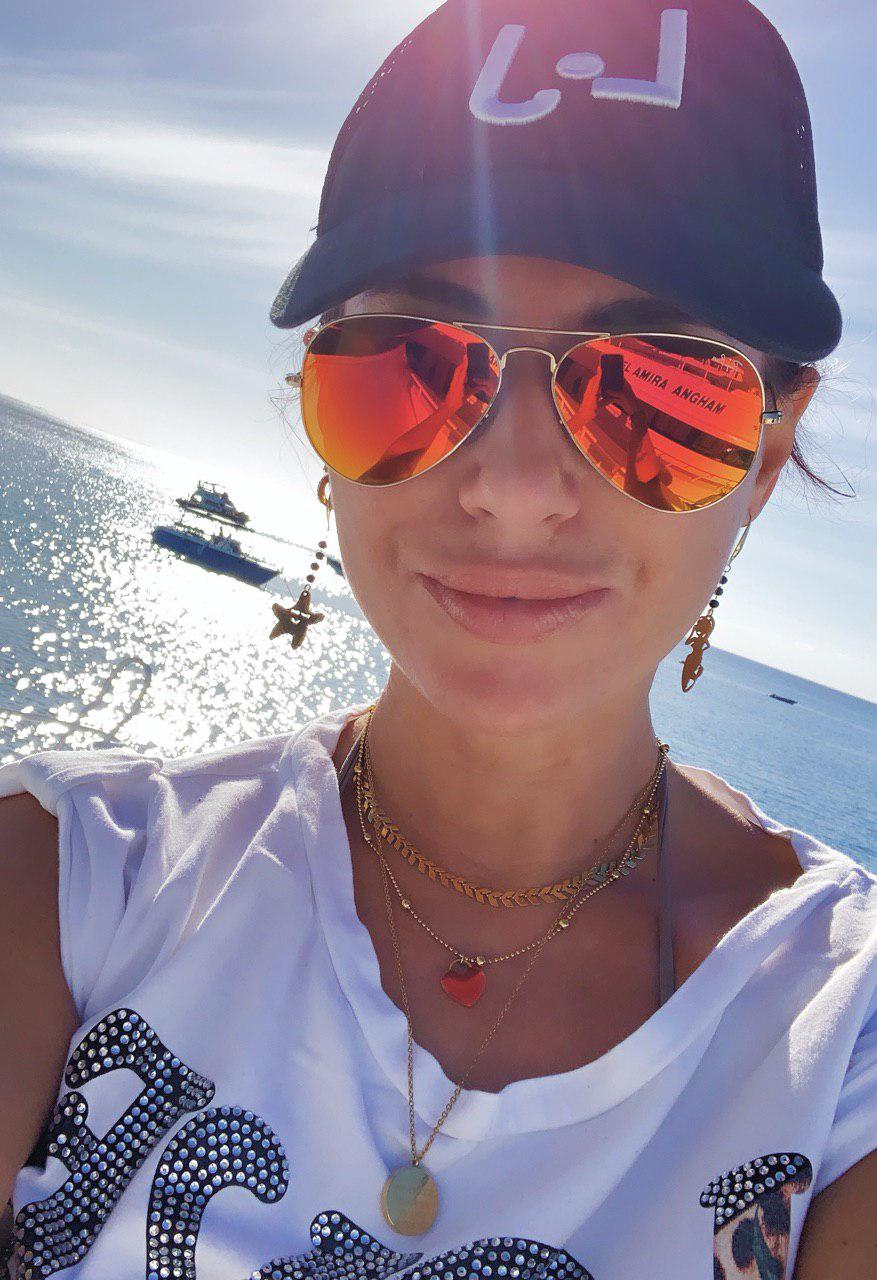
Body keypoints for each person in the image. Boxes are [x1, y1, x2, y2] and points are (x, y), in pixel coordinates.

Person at [0, 2, 874, 1277]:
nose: (512, 488)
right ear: (313, 404)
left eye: (654, 387)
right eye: (410, 362)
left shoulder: (841, 1040)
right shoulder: (65, 881)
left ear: (764, 461)